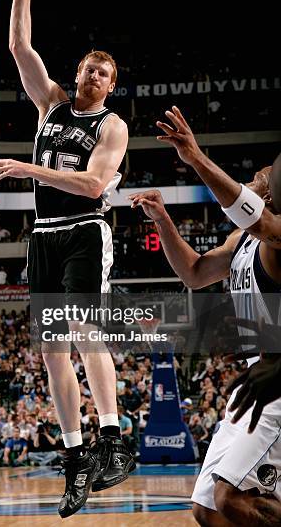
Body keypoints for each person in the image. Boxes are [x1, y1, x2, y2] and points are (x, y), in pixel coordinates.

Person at [0, 0, 134, 518]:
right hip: (43, 236)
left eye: (104, 73)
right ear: (76, 73)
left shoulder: (111, 125)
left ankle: (114, 437)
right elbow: (21, 49)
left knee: (81, 326)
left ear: (111, 85)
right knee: (51, 352)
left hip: (84, 233)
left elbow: (95, 183)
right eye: (89, 69)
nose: (94, 77)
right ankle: (76, 457)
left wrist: (31, 172)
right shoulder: (50, 105)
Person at [130, 107, 281, 527]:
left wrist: (195, 156)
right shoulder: (240, 241)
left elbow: (258, 218)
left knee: (230, 499)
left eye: (258, 179)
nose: (249, 181)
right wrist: (162, 221)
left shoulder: (276, 232)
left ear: (267, 195)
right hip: (251, 385)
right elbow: (194, 274)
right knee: (208, 511)